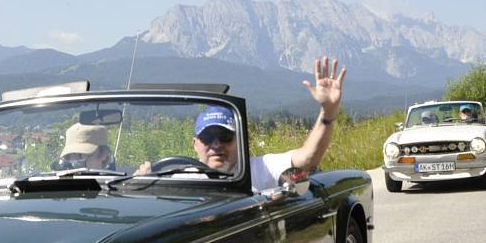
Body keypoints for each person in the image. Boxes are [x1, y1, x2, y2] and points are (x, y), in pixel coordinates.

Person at [138, 56, 348, 192]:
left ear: (239, 141)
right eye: (208, 137)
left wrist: (328, 111)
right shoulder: (182, 179)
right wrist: (143, 182)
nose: (216, 144)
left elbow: (307, 159)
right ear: (195, 144)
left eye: (225, 136)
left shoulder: (258, 169)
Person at [53, 123, 117, 171]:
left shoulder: (119, 183)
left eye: (82, 155)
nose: (74, 163)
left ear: (104, 156)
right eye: (69, 157)